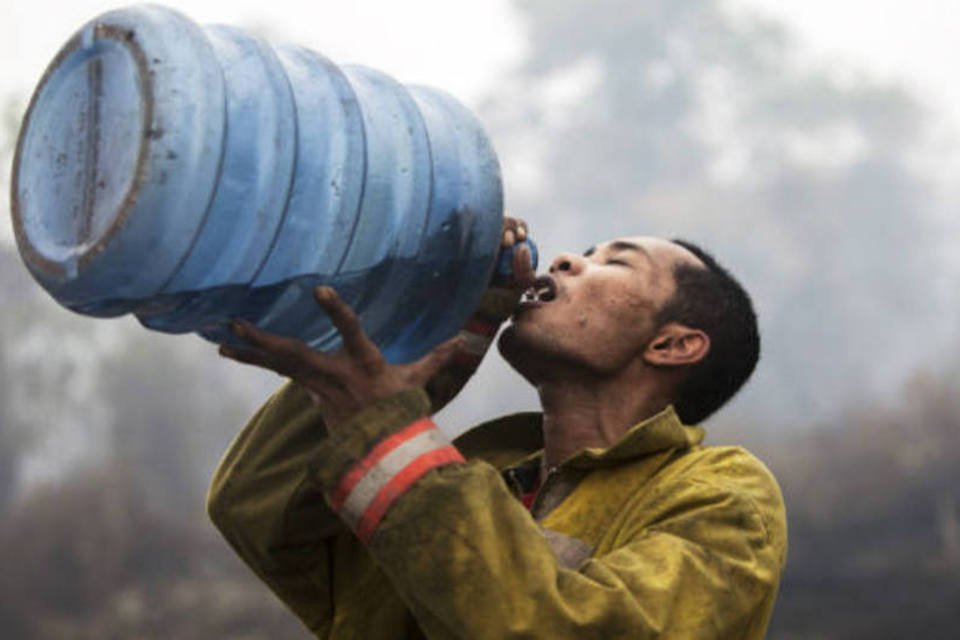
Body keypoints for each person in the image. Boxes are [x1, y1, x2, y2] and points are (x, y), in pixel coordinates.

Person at [207, 218, 787, 639]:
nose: (564, 261)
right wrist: (428, 333)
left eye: (614, 261)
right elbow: (257, 508)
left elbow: (559, 629)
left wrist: (389, 436)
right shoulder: (482, 473)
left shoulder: (722, 497)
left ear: (673, 345)